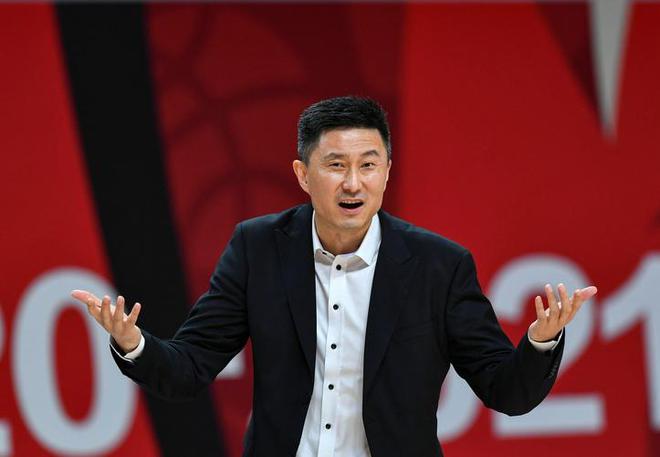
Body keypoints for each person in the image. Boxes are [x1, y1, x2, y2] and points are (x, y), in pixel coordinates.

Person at [71, 96, 597, 457]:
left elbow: (505, 391)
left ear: (387, 171)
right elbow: (189, 368)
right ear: (302, 174)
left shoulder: (438, 266)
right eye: (336, 165)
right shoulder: (258, 249)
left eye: (368, 164)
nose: (353, 183)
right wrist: (134, 344)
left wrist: (540, 341)